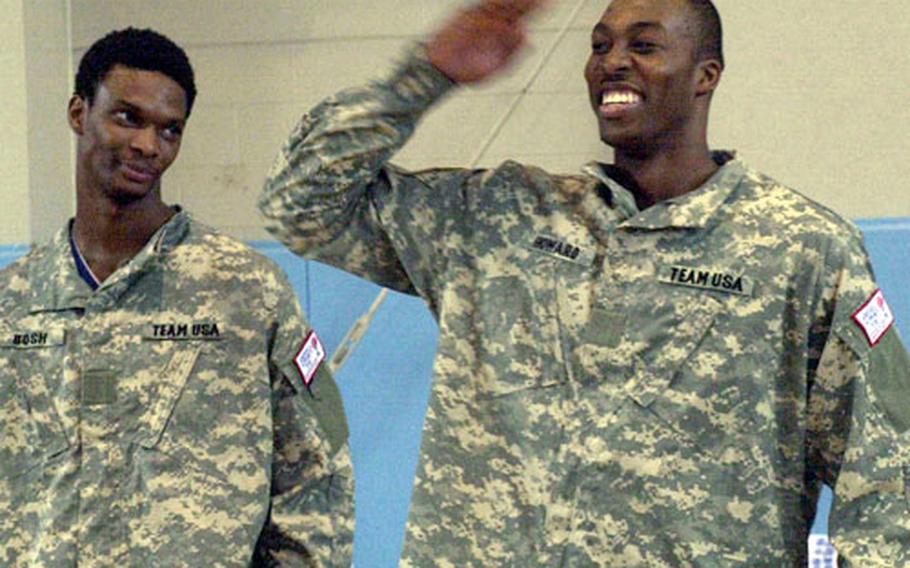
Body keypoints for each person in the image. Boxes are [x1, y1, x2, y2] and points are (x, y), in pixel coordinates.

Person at [259, 0, 910, 565]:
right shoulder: (499, 218)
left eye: (644, 45)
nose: (611, 61)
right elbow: (300, 201)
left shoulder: (803, 248)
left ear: (705, 75)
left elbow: (885, 473)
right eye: (599, 46)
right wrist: (425, 76)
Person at [0, 28, 353, 566]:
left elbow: (316, 476)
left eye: (170, 130)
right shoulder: (13, 300)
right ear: (78, 113)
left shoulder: (244, 290)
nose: (148, 145)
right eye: (128, 118)